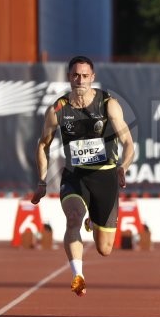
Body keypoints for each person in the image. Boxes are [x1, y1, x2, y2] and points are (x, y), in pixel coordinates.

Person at [31, 56, 135, 297]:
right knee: (73, 218)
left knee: (105, 249)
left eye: (85, 76)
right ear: (69, 77)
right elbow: (42, 145)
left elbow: (128, 142)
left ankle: (94, 221)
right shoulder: (58, 109)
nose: (80, 80)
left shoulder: (108, 104)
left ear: (92, 78)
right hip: (75, 176)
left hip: (105, 176)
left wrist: (123, 166)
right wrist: (42, 181)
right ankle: (78, 275)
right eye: (76, 75)